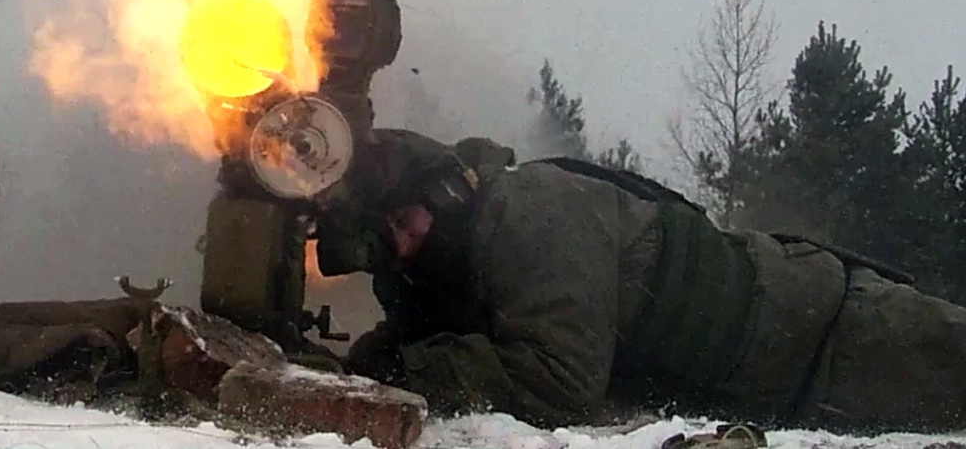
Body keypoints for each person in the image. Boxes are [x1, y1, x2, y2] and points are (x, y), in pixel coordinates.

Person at [314, 129, 966, 435]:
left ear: (448, 193)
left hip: (839, 334)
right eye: (387, 238)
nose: (403, 243)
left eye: (403, 220)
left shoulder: (525, 211)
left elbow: (558, 380)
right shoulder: (459, 260)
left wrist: (408, 369)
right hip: (796, 385)